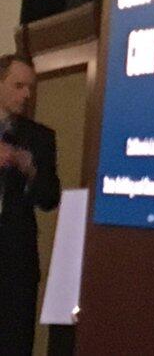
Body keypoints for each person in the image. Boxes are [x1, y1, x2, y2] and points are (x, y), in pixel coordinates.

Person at [0, 54, 61, 356]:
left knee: (14, 344)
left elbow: (51, 198)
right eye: (18, 85)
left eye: (31, 88)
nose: (26, 94)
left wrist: (31, 171)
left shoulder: (40, 138)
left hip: (16, 265)